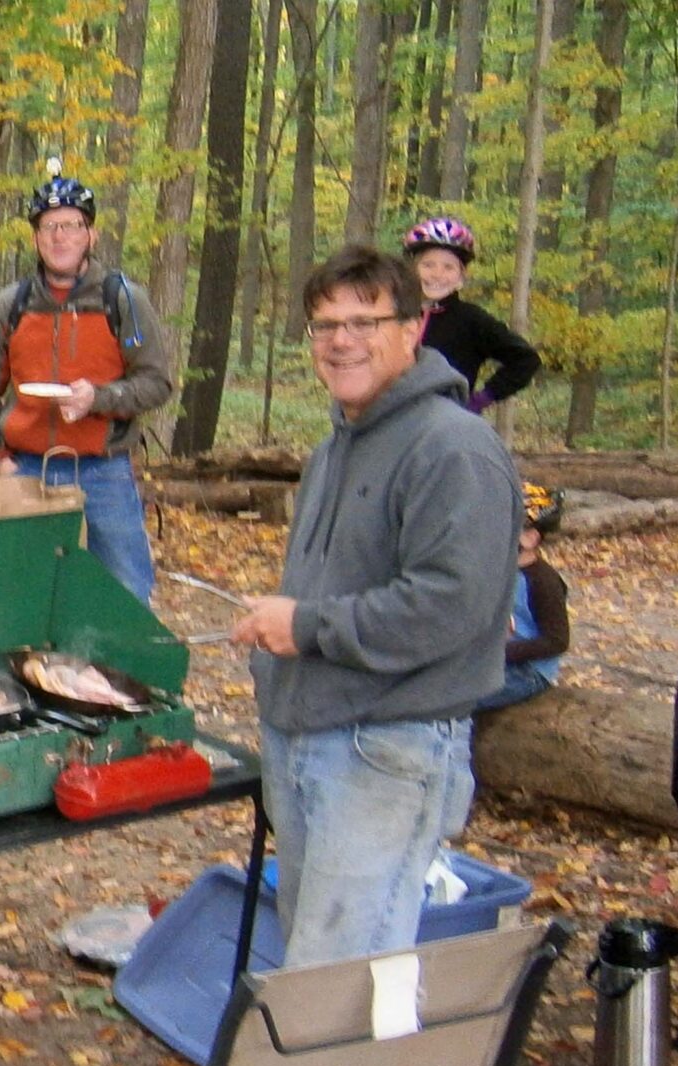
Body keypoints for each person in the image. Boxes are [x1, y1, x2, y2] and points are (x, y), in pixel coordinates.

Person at [231, 244, 521, 967]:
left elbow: (450, 607)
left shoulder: (454, 449)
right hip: (306, 734)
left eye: (364, 321)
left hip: (387, 748)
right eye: (325, 325)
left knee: (343, 978)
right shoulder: (339, 443)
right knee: (313, 959)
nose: (342, 341)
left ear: (413, 329)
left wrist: (305, 625)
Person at [0, 162, 173, 601]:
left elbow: (156, 382)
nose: (60, 236)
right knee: (22, 594)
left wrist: (99, 398)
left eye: (72, 225)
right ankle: (35, 671)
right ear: (37, 239)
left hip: (102, 471)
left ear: (90, 236)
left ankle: (121, 671)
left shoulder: (122, 300)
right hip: (27, 468)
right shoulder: (12, 305)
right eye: (49, 226)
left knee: (126, 591)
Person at [402, 217, 540, 416]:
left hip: (447, 426)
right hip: (395, 423)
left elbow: (526, 359)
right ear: (414, 270)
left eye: (448, 267)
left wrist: (481, 399)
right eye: (428, 265)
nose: (437, 274)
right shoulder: (396, 313)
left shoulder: (472, 320)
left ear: (461, 276)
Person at [478, 483, 571, 711]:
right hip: (490, 663)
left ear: (530, 538)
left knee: (452, 699)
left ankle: (454, 744)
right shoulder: (496, 569)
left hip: (529, 671)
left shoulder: (544, 581)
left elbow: (557, 640)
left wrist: (502, 654)